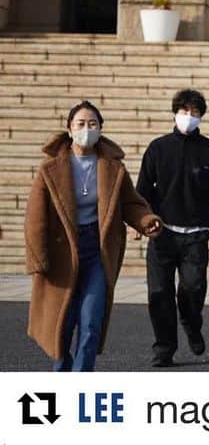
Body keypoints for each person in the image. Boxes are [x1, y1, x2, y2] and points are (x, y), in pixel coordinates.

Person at [25, 101, 163, 371]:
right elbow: (35, 217)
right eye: (80, 124)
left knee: (90, 321)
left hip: (98, 251)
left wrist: (147, 221)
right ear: (69, 129)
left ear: (100, 129)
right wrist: (38, 258)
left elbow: (131, 203)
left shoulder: (113, 168)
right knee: (63, 322)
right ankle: (61, 376)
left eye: (92, 124)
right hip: (62, 250)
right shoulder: (49, 169)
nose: (86, 129)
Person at [136, 89, 209, 367]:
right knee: (158, 294)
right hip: (161, 233)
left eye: (194, 113)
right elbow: (142, 189)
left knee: (192, 290)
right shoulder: (158, 148)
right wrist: (137, 221)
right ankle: (164, 348)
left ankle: (192, 324)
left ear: (201, 117)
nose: (188, 117)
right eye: (184, 111)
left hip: (195, 236)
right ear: (174, 113)